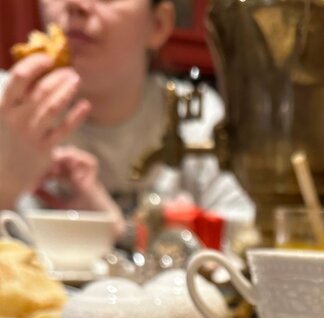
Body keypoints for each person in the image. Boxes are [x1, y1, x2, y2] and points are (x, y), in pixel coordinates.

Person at [0, 0, 254, 242]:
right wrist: (6, 184)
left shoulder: (197, 116)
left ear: (158, 24)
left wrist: (120, 231)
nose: (77, 4)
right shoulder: (7, 105)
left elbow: (245, 245)